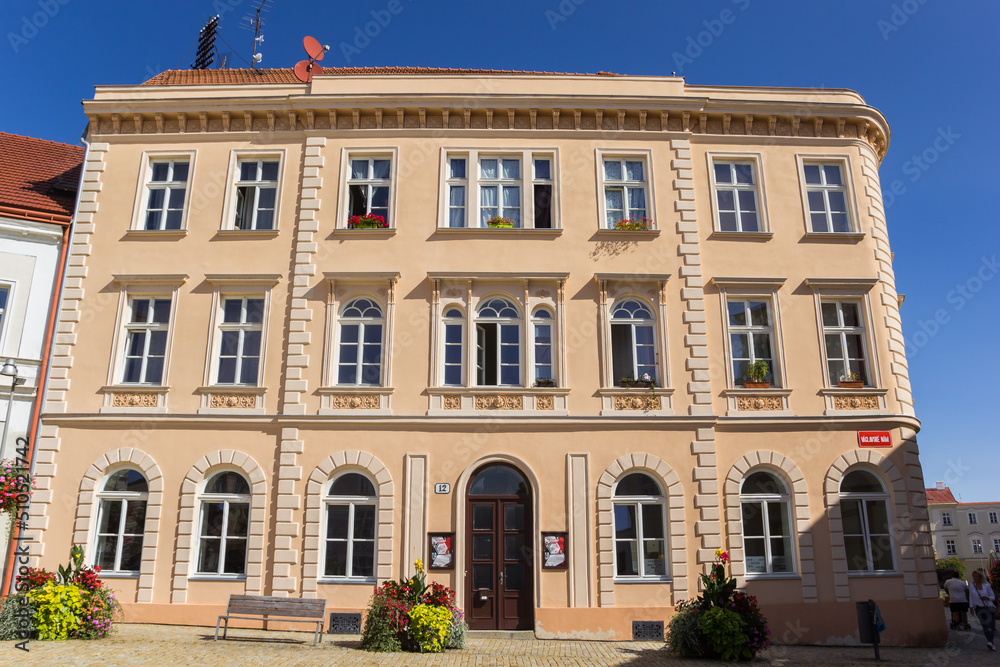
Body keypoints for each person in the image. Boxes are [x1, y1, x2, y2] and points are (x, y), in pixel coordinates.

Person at [970, 569, 996, 651]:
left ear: (980, 577)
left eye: (976, 576)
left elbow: (993, 597)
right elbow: (971, 597)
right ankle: (990, 642)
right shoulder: (972, 586)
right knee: (984, 626)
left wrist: (987, 598)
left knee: (989, 626)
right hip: (978, 608)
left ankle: (990, 642)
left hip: (987, 607)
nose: (975, 578)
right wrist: (971, 607)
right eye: (973, 576)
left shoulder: (986, 586)